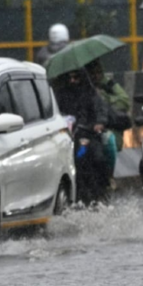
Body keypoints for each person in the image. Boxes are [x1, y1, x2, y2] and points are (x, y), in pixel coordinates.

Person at [52, 69, 110, 204]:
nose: (72, 81)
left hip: (87, 135)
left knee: (98, 158)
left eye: (76, 78)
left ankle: (101, 190)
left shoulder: (91, 94)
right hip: (64, 136)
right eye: (70, 78)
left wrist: (99, 123)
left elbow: (101, 110)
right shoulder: (60, 95)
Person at [87, 59, 132, 183]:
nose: (96, 76)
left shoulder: (108, 84)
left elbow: (124, 101)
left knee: (109, 141)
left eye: (98, 73)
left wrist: (105, 99)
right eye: (92, 74)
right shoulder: (83, 87)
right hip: (87, 126)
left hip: (109, 126)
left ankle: (109, 176)